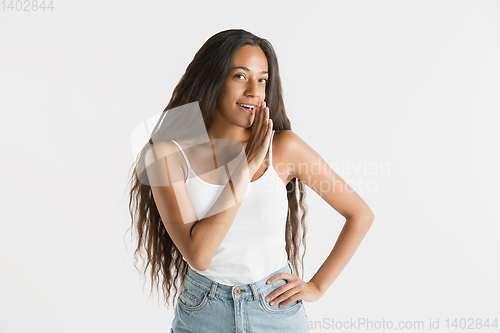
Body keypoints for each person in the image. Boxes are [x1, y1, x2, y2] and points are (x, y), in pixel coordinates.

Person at [127, 29, 375, 333]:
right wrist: (245, 168)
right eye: (240, 76)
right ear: (213, 78)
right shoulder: (165, 156)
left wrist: (317, 286)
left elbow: (360, 214)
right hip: (204, 312)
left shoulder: (285, 148)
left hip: (275, 309)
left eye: (262, 80)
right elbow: (200, 255)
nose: (255, 91)